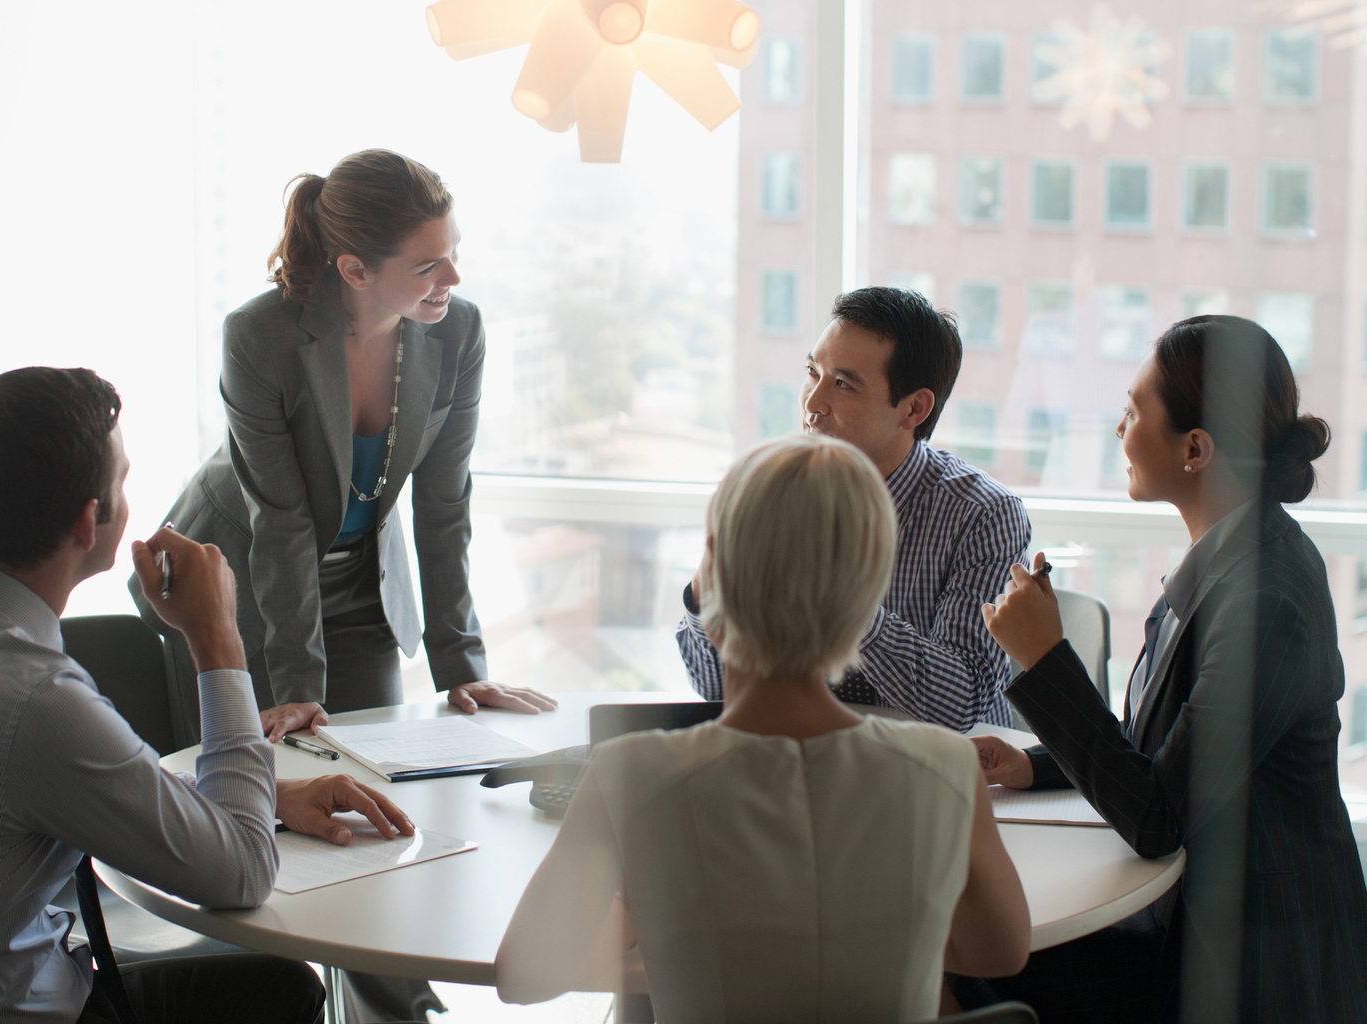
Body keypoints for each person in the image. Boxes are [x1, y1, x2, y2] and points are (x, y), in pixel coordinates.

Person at [0, 367, 416, 1024]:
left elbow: (71, 793)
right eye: (123, 480)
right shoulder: (34, 699)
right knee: (283, 990)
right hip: (40, 1013)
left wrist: (269, 799)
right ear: (89, 522)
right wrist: (217, 637)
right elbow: (245, 872)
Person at [496, 434, 1030, 1022]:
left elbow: (525, 974)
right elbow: (999, 951)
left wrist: (664, 932)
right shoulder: (946, 768)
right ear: (870, 594)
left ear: (713, 566)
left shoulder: (631, 775)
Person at [960, 316, 1367, 1023]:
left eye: (1131, 412)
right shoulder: (1228, 559)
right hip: (1195, 915)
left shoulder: (1266, 599)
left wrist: (1046, 660)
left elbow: (1158, 818)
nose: (1120, 431)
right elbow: (1165, 754)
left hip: (1257, 960)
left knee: (976, 964)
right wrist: (1035, 766)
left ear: (1196, 448)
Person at [133, 150, 553, 749]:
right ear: (356, 271)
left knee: (377, 770)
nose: (453, 280)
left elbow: (444, 505)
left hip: (362, 578)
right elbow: (280, 519)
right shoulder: (260, 337)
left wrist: (462, 671)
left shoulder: (459, 332)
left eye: (455, 253)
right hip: (239, 580)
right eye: (429, 264)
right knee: (259, 784)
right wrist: (298, 685)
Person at [678, 287, 1029, 730]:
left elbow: (961, 706)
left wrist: (840, 593)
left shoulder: (983, 515)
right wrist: (705, 592)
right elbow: (715, 689)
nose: (811, 403)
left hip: (937, 773)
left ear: (914, 409)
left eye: (842, 385)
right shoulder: (777, 490)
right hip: (805, 761)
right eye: (812, 371)